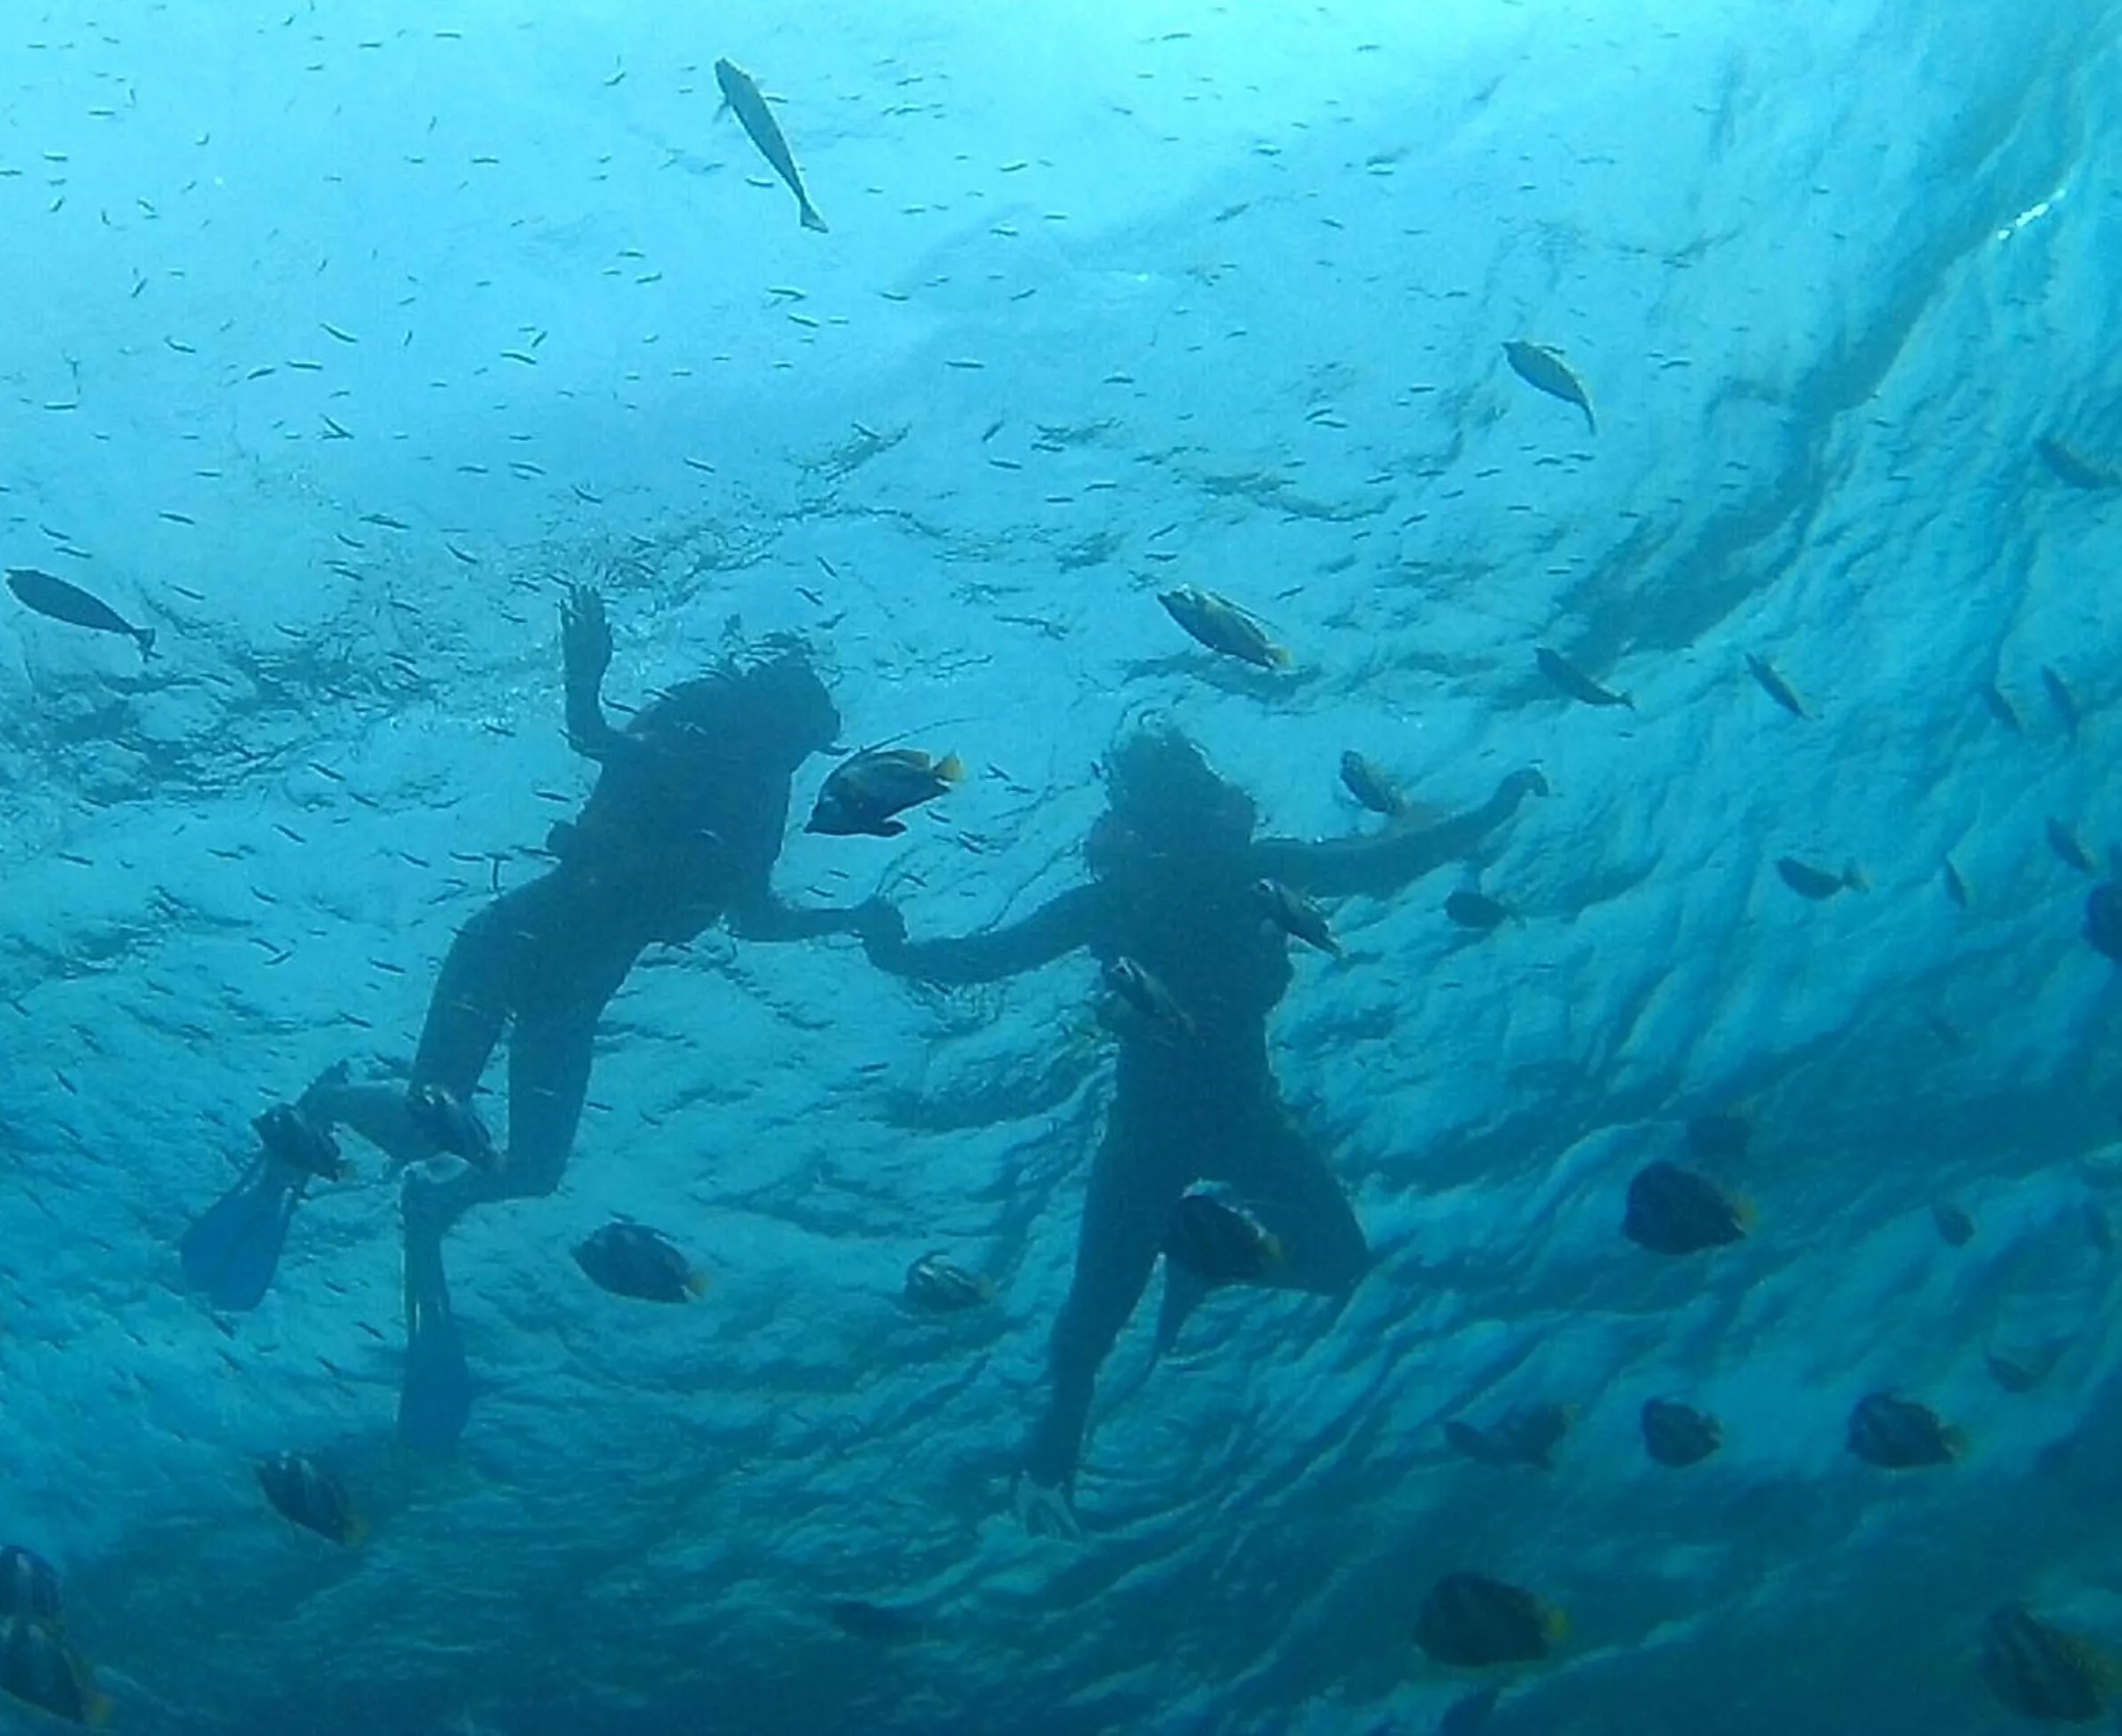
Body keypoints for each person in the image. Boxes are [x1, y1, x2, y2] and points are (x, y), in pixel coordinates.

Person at [181, 586, 889, 1447]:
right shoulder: (699, 728)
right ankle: (326, 1105)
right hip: (509, 945)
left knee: (535, 1170)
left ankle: (431, 1214)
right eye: (799, 736)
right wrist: (584, 676)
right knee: (425, 1130)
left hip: (572, 999)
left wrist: (849, 919)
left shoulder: (761, 804)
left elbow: (754, 918)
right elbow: (599, 739)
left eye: (808, 748)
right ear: (774, 714)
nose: (800, 756)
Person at [866, 720, 1547, 1535]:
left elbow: (1382, 865)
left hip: (1218, 1122)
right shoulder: (1161, 890)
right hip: (1178, 1128)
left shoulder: (1204, 882)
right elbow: (996, 955)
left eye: (1182, 792)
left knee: (1321, 1267)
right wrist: (896, 955)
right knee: (1098, 1322)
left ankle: (1200, 1272)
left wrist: (1492, 813)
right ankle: (1052, 1459)